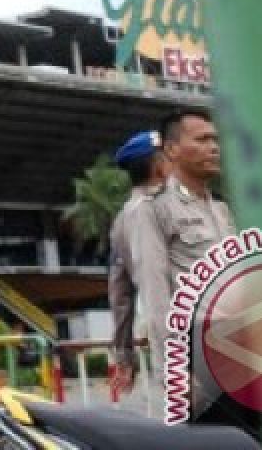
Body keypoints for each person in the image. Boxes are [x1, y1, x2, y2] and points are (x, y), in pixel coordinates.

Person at [129, 107, 255, 434]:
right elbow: (156, 297)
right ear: (172, 150)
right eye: (202, 139)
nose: (214, 147)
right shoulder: (154, 209)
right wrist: (174, 369)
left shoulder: (222, 209)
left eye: (215, 139)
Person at [106, 130, 169, 400]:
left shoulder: (122, 220)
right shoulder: (152, 211)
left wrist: (124, 356)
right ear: (158, 167)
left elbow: (119, 297)